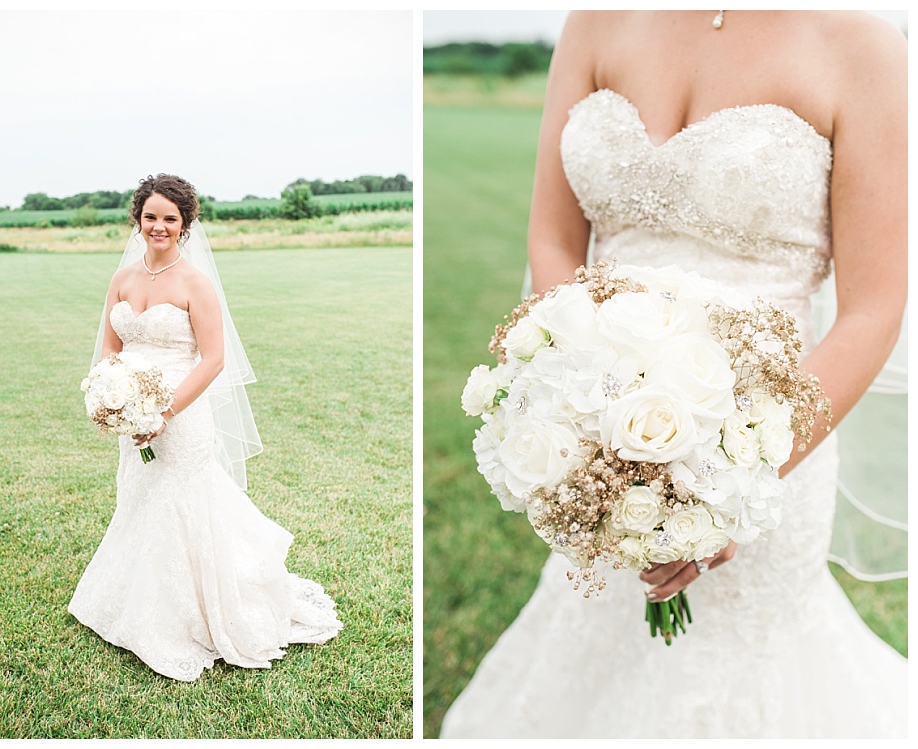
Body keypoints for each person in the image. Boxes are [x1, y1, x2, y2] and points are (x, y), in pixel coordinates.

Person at [440, 11, 906, 738]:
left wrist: (739, 477)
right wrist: (582, 412)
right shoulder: (595, 22)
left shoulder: (860, 41)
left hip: (774, 437)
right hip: (600, 428)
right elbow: (554, 238)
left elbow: (873, 310)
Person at [69, 174, 342, 682]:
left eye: (170, 219)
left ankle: (197, 614)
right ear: (138, 219)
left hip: (182, 412)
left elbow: (213, 360)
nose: (159, 226)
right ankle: (136, 605)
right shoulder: (123, 280)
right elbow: (110, 347)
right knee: (140, 499)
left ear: (186, 225)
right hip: (134, 413)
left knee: (185, 503)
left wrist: (162, 412)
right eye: (151, 216)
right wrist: (118, 399)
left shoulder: (196, 283)